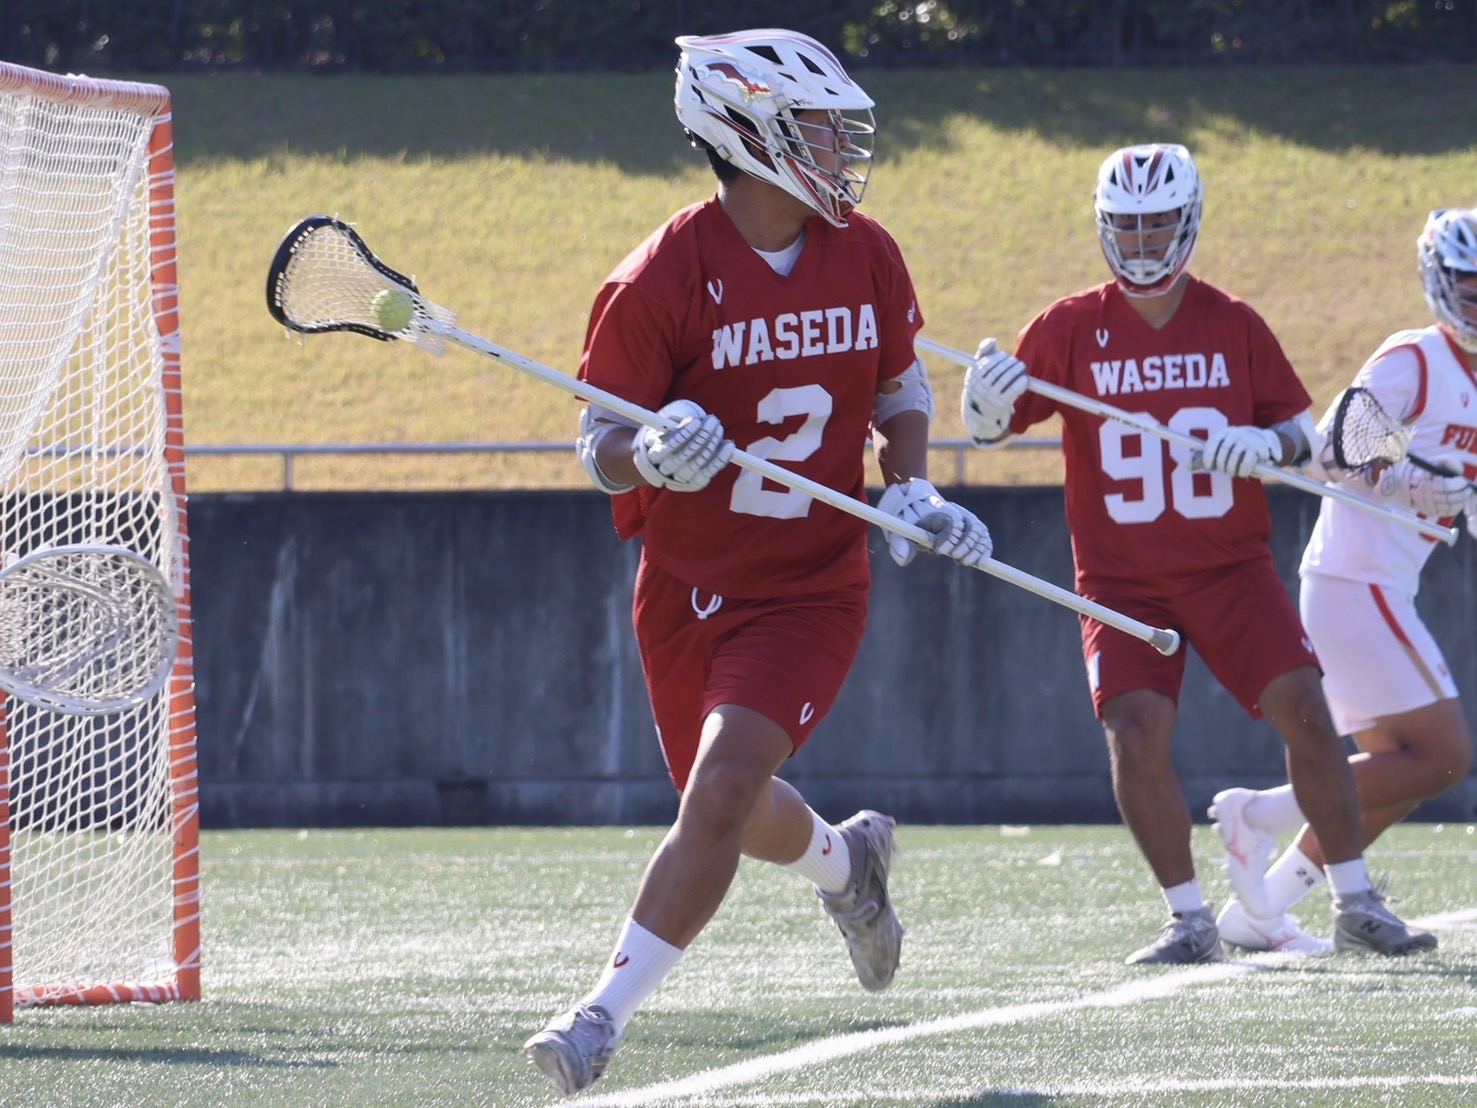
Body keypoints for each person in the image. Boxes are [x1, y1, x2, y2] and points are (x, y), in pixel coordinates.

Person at [522, 29, 993, 1096]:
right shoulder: (657, 278)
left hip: (810, 584)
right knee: (725, 803)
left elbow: (899, 384)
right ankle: (849, 862)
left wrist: (911, 486)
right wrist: (646, 450)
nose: (839, 147)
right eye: (816, 126)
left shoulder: (865, 250)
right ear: (746, 134)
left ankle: (598, 1019)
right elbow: (596, 443)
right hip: (685, 587)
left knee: (724, 786)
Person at [960, 142, 1434, 964]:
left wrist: (1264, 443)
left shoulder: (1231, 321)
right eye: (1127, 227)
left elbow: (1301, 432)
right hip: (1120, 579)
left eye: (1157, 226)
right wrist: (982, 407)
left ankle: (1354, 900)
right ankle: (1187, 917)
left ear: (1187, 223)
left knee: (1305, 708)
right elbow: (993, 428)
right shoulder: (1067, 326)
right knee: (1133, 731)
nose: (1142, 242)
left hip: (1227, 567)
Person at [1208, 208, 1475, 952]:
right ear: (1440, 282)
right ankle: (1259, 815)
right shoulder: (1417, 358)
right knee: (1444, 755)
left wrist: (1453, 495)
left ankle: (1261, 907)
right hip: (1355, 580)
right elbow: (1331, 449)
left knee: (1405, 770)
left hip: (1379, 584)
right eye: (1469, 284)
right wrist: (1410, 481)